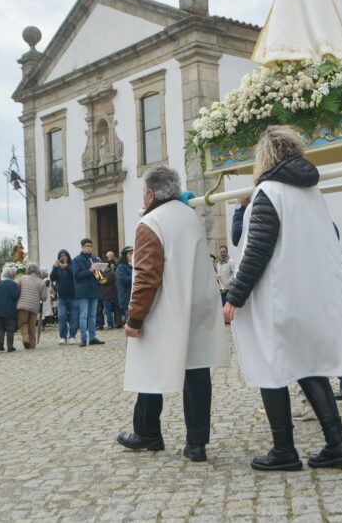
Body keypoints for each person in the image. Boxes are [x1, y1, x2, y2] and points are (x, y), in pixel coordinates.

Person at [224, 126, 342, 471]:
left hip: (277, 296)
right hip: (307, 292)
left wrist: (235, 296)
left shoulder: (268, 192)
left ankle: (284, 450)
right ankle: (337, 444)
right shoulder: (309, 191)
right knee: (309, 367)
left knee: (271, 367)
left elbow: (257, 251)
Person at [118, 166, 230, 462]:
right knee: (197, 370)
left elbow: (146, 275)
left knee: (148, 366)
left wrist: (134, 318)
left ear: (151, 194)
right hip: (198, 302)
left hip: (165, 307)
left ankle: (147, 431)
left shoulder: (150, 222)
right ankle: (197, 442)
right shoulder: (189, 216)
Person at [71, 238, 106, 347]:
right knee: (83, 315)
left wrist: (100, 272)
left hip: (93, 290)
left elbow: (98, 276)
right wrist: (90, 270)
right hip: (83, 291)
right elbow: (76, 276)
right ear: (82, 247)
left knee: (92, 315)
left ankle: (92, 337)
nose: (89, 248)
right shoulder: (76, 260)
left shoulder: (94, 259)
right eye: (87, 246)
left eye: (90, 246)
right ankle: (83, 338)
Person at [49, 250, 78, 343]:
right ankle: (63, 337)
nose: (63, 257)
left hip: (73, 296)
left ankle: (72, 336)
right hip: (61, 297)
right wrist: (55, 267)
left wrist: (67, 267)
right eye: (61, 256)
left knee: (73, 317)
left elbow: (75, 275)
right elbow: (52, 278)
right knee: (62, 316)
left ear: (68, 256)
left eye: (64, 255)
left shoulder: (72, 265)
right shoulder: (57, 267)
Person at [16, 263, 46, 349]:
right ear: (38, 271)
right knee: (32, 326)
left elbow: (16, 288)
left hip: (22, 305)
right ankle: (32, 345)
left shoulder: (22, 278)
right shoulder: (41, 282)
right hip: (34, 306)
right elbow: (44, 298)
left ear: (28, 270)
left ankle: (25, 338)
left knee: (23, 323)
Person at [0, 266, 20, 352]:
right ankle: (10, 346)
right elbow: (15, 296)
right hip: (9, 310)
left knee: (0, 328)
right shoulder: (14, 285)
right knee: (9, 328)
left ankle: (0, 342)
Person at [97, 251, 118, 330]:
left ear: (107, 267)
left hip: (107, 294)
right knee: (99, 311)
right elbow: (99, 280)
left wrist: (98, 277)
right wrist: (98, 276)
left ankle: (110, 324)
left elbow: (104, 282)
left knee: (107, 310)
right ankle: (100, 324)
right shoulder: (102, 273)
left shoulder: (111, 273)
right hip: (101, 294)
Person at [115, 247, 133, 328]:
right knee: (129, 320)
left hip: (134, 296)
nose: (132, 255)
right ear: (125, 256)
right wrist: (136, 277)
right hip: (126, 296)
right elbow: (123, 280)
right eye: (130, 254)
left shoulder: (134, 265)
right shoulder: (121, 267)